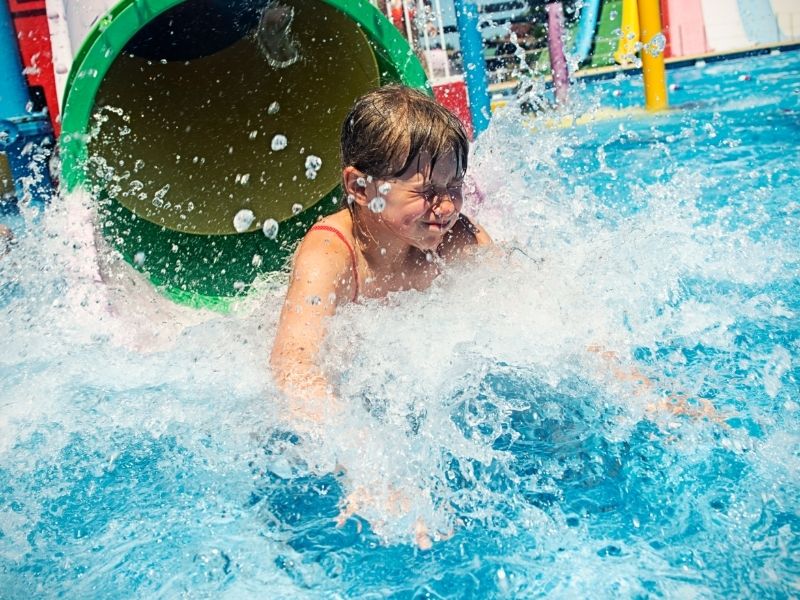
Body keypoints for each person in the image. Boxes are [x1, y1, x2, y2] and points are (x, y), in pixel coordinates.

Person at [270, 85, 491, 415]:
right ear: (360, 187)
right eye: (427, 191)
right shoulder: (331, 254)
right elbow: (293, 368)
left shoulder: (456, 237)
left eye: (454, 186)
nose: (446, 207)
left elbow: (526, 297)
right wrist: (349, 440)